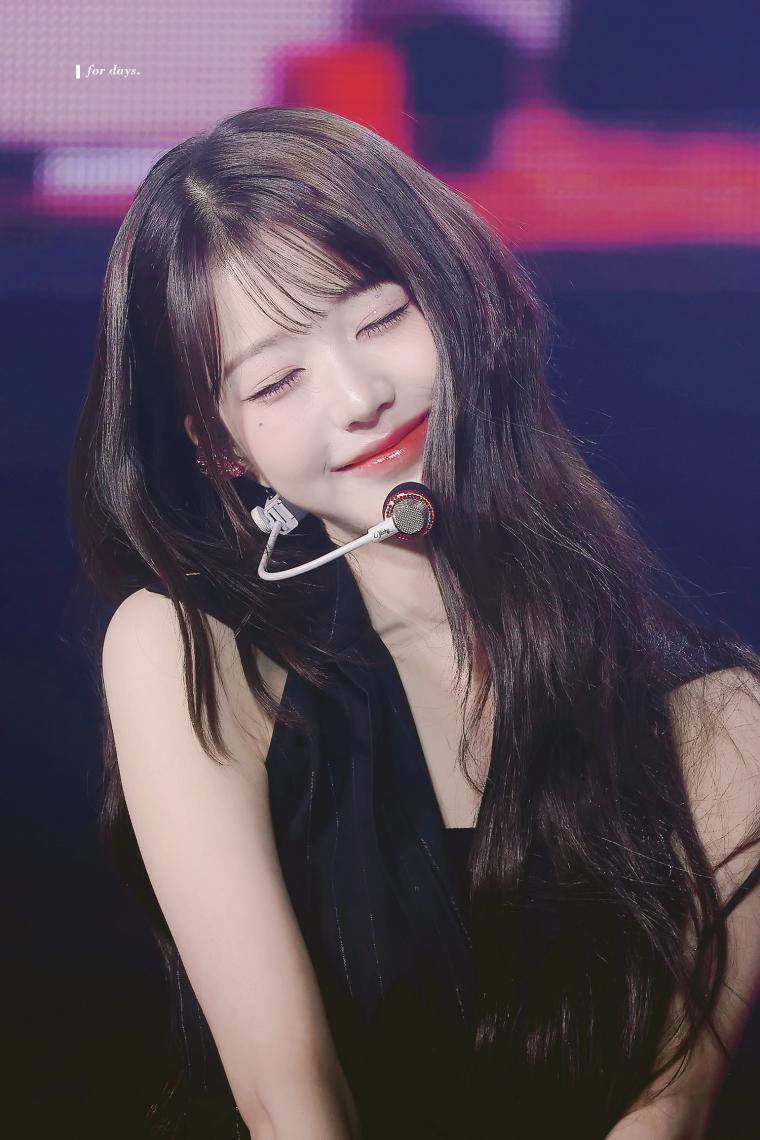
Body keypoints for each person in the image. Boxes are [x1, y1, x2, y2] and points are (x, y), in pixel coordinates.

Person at [67, 105, 760, 1140]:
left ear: (459, 299)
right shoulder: (186, 655)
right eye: (278, 379)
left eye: (380, 319)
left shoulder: (722, 716)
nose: (359, 397)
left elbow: (666, 1116)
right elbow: (288, 1102)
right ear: (222, 450)